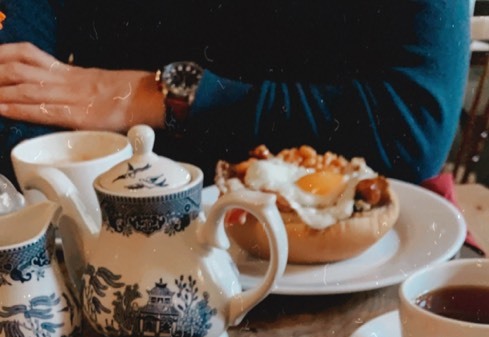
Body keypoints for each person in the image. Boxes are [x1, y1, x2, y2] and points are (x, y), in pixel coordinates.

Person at [0, 0, 470, 187]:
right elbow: (15, 84)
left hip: (353, 252)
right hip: (121, 228)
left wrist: (161, 95)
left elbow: (412, 130)